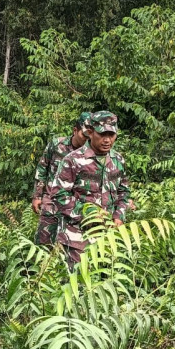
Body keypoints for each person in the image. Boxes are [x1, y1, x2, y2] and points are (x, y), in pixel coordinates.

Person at [46, 111, 133, 268]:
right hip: (77, 239)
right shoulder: (72, 160)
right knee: (76, 286)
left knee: (102, 285)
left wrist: (119, 216)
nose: (107, 140)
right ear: (91, 133)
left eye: (111, 135)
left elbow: (124, 192)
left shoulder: (118, 160)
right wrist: (89, 214)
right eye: (102, 134)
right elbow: (58, 195)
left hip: (107, 238)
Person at [32, 112, 92, 245]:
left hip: (75, 206)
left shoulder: (91, 154)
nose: (88, 140)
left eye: (91, 136)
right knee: (44, 244)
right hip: (51, 202)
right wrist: (37, 196)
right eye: (85, 135)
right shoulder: (57, 145)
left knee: (71, 248)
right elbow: (42, 168)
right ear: (75, 130)